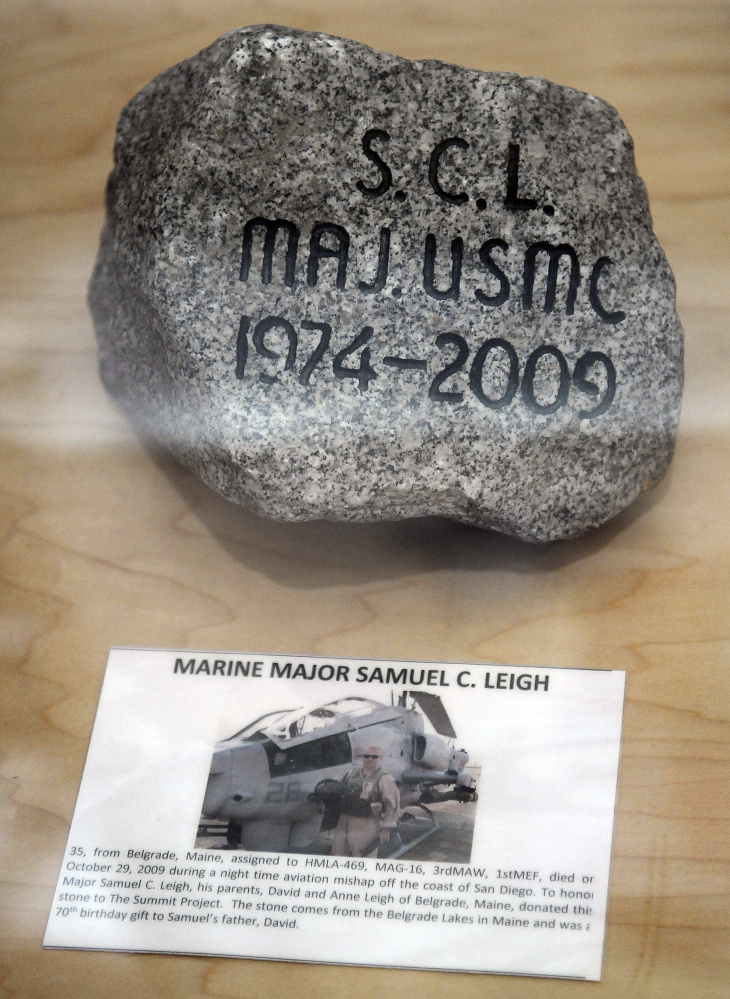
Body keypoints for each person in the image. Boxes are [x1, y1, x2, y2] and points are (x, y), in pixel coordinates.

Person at [331, 746, 400, 857]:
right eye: (366, 756)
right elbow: (338, 791)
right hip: (343, 821)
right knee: (337, 855)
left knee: (364, 859)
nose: (370, 759)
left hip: (366, 824)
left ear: (380, 758)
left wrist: (386, 828)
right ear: (362, 757)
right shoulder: (350, 774)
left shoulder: (385, 778)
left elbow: (391, 805)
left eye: (374, 756)